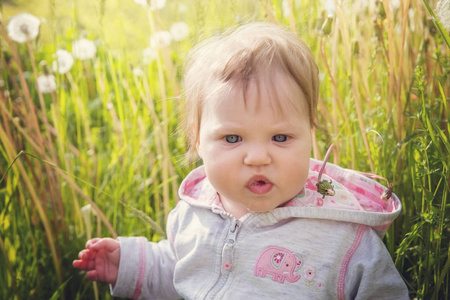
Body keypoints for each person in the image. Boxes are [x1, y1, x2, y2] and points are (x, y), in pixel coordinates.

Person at [73, 22, 409, 299]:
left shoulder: (343, 238)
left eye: (280, 138)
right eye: (232, 139)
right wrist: (129, 264)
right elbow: (179, 269)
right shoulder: (194, 214)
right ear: (198, 139)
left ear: (310, 134)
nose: (258, 157)